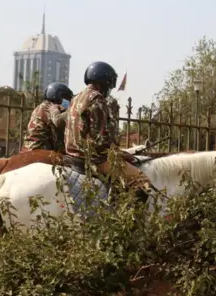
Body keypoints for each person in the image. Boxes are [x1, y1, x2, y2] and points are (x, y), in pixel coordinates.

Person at [64, 61, 154, 201]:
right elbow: (100, 140)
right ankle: (128, 221)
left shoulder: (75, 98)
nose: (110, 89)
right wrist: (119, 154)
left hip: (71, 155)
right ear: (104, 82)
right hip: (93, 159)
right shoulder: (96, 99)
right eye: (109, 85)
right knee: (141, 182)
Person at [22, 82, 73, 153]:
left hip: (29, 147)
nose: (67, 103)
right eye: (66, 99)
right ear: (59, 96)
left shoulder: (41, 106)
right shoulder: (51, 107)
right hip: (41, 148)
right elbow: (58, 122)